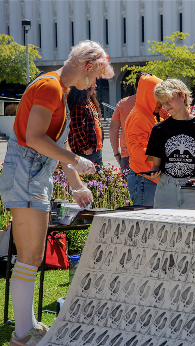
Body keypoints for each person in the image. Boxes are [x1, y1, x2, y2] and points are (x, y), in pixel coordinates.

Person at [0, 40, 114, 346]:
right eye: (96, 78)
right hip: (26, 178)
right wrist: (77, 161)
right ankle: (22, 336)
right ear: (87, 67)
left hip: (31, 179)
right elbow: (36, 138)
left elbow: (58, 145)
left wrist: (76, 183)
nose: (93, 87)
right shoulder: (50, 88)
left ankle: (27, 328)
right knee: (29, 258)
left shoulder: (57, 89)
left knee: (31, 257)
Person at [144, 78, 195, 210]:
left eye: (169, 100)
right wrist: (154, 172)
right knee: (163, 229)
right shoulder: (159, 129)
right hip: (165, 188)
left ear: (182, 96)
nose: (166, 105)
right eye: (163, 102)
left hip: (193, 189)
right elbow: (156, 165)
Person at [125, 74, 164, 206]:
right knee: (144, 224)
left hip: (147, 177)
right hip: (143, 178)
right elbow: (139, 151)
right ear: (150, 96)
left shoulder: (149, 115)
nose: (162, 103)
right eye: (159, 98)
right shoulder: (139, 117)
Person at [110, 72, 149, 173]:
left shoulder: (122, 103)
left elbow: (113, 130)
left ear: (135, 86)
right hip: (150, 155)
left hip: (128, 153)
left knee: (128, 187)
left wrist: (116, 153)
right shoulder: (158, 104)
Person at [67, 84, 103, 165]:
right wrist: (85, 146)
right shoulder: (79, 103)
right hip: (85, 151)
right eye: (93, 83)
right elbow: (76, 126)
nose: (96, 85)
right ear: (86, 86)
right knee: (88, 176)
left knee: (99, 176)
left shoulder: (90, 101)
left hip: (96, 148)